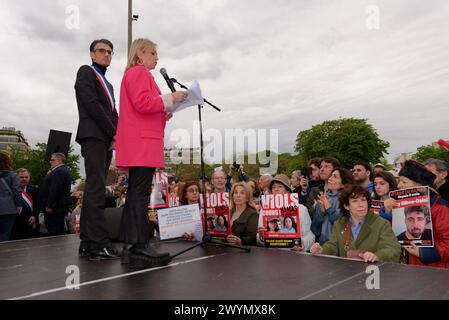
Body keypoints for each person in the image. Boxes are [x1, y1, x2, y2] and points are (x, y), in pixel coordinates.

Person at [115, 38, 187, 267]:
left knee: (136, 193)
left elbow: (144, 107)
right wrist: (171, 98)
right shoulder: (139, 73)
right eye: (153, 53)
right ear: (140, 54)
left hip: (139, 142)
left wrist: (163, 110)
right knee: (139, 194)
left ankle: (131, 246)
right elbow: (143, 102)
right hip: (142, 144)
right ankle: (139, 246)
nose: (157, 57)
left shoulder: (134, 74)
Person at [75, 39, 119, 259]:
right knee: (96, 189)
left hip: (105, 137)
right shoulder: (86, 72)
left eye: (110, 52)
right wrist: (113, 132)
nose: (106, 55)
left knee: (95, 188)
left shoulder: (108, 84)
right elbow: (91, 104)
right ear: (92, 54)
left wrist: (116, 134)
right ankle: (98, 243)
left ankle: (86, 241)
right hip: (93, 135)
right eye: (102, 51)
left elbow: (113, 112)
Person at [310, 184, 401, 263]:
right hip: (346, 274)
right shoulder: (339, 224)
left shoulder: (381, 223)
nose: (361, 204)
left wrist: (377, 256)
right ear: (346, 206)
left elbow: (393, 248)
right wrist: (321, 250)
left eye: (363, 200)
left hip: (373, 275)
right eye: (355, 201)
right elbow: (333, 246)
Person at [396, 160, 449, 268]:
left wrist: (423, 253)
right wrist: (387, 211)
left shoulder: (439, 208)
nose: (399, 186)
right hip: (412, 269)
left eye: (404, 182)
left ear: (419, 186)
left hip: (436, 271)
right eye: (399, 181)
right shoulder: (400, 207)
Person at [257, 174, 315, 251]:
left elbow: (310, 236)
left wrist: (302, 244)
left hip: (294, 256)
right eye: (273, 187)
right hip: (272, 255)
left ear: (287, 190)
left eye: (280, 186)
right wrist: (261, 237)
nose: (276, 189)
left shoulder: (301, 209)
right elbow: (259, 239)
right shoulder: (264, 210)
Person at [311, 168, 354, 245]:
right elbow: (315, 230)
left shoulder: (347, 201)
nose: (330, 178)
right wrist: (321, 212)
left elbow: (338, 223)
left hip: (340, 246)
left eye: (335, 176)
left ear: (343, 184)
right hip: (323, 245)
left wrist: (328, 207)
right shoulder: (323, 197)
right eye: (331, 176)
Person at [37, 153, 71, 236]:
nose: (50, 162)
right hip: (56, 209)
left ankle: (57, 249)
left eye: (52, 160)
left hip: (54, 210)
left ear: (59, 161)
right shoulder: (62, 170)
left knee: (54, 233)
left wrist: (49, 205)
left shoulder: (59, 171)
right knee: (56, 232)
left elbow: (55, 190)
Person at [11, 168, 39, 239]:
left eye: (26, 177)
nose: (24, 179)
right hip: (15, 223)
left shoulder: (34, 190)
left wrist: (34, 216)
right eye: (21, 177)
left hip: (29, 222)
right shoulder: (11, 190)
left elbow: (37, 205)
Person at [0, 152, 22, 242]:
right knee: (5, 233)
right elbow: (16, 192)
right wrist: (19, 205)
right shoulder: (13, 175)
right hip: (8, 209)